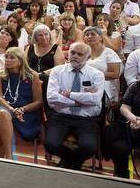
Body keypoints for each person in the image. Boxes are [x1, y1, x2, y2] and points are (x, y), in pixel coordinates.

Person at [43, 41, 105, 170]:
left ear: (87, 58)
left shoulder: (97, 75)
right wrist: (79, 101)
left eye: (80, 54)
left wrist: (69, 94)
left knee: (89, 147)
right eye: (72, 52)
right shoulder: (57, 71)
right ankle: (72, 162)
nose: (75, 56)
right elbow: (52, 97)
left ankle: (69, 163)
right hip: (61, 117)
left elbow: (95, 99)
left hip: (87, 119)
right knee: (51, 144)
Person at [0, 47, 43, 158]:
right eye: (6, 57)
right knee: (2, 113)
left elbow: (38, 102)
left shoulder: (33, 76)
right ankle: (9, 157)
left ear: (20, 61)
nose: (7, 60)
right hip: (5, 107)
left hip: (26, 112)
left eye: (12, 58)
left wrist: (22, 109)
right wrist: (11, 109)